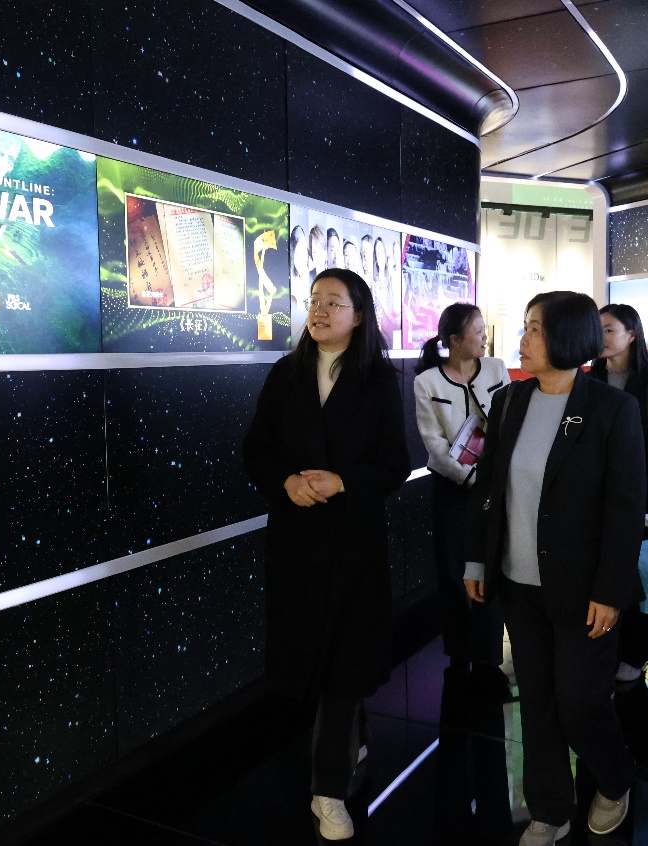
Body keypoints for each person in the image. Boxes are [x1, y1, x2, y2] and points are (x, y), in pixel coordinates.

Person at [464, 291, 646, 844]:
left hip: (584, 589)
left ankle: (614, 779)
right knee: (537, 701)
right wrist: (477, 558)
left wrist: (611, 590)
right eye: (526, 327)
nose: (522, 340)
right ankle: (549, 808)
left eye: (535, 329)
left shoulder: (612, 409)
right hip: (518, 584)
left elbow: (624, 508)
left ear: (567, 337)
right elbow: (489, 487)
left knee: (581, 702)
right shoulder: (509, 401)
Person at [243, 268, 411, 841]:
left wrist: (343, 482)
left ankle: (328, 790)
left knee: (345, 661)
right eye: (315, 300)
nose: (319, 310)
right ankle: (348, 740)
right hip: (296, 541)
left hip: (353, 542)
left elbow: (395, 463)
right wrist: (285, 481)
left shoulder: (379, 380)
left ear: (358, 316)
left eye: (333, 303)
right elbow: (256, 450)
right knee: (311, 657)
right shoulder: (286, 374)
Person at [413, 303, 510, 688]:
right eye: (478, 330)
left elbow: (508, 421)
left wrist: (494, 478)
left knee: (491, 564)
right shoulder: (427, 382)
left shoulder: (496, 368)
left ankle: (487, 655)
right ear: (454, 339)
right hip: (453, 487)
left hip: (496, 482)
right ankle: (458, 650)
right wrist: (470, 478)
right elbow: (434, 443)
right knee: (453, 569)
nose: (485, 337)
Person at [587, 303, 648, 683]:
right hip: (597, 499)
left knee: (639, 580)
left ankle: (635, 656)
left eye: (609, 329)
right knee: (602, 575)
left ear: (632, 335)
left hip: (638, 499)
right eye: (598, 329)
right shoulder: (591, 378)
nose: (602, 337)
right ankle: (604, 650)